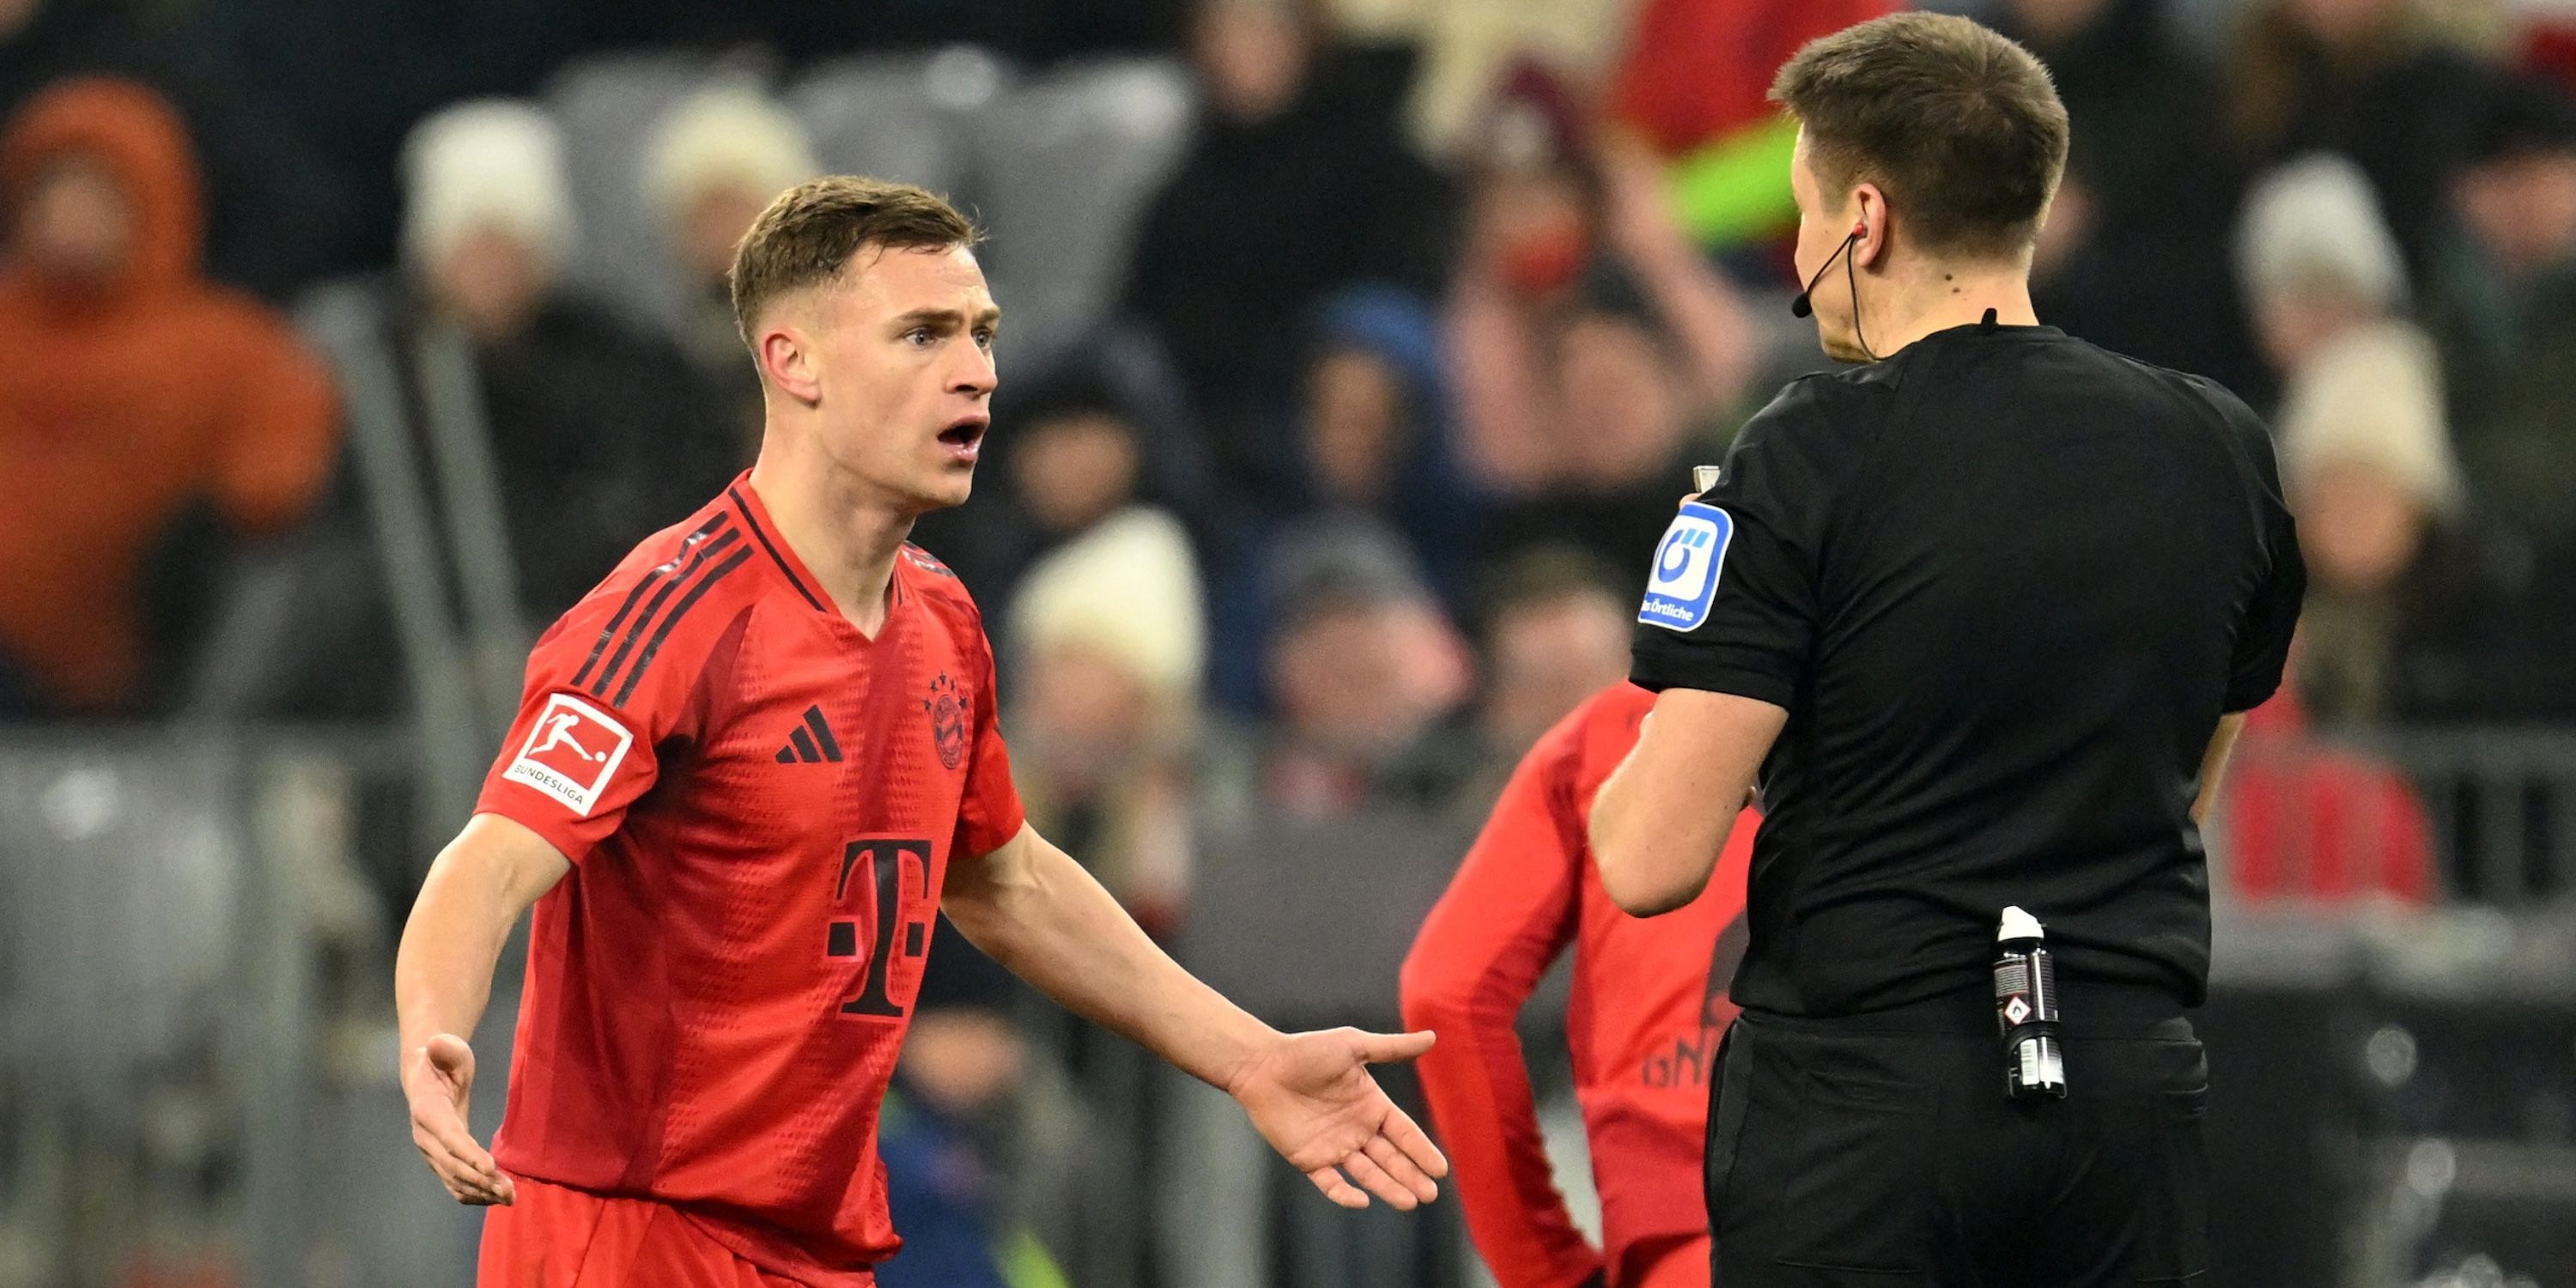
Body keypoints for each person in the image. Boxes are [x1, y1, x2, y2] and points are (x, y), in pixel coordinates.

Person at [392, 177, 1449, 1287]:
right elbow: (496, 855)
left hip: (818, 1247)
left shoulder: (942, 621)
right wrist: (431, 1034)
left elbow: (1006, 884)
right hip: (629, 1243)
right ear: (794, 362)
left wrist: (1251, 1060)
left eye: (983, 334)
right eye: (924, 334)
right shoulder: (670, 615)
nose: (978, 372)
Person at [1586, 15, 2305, 1285]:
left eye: (1803, 212)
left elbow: (1650, 858)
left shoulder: (1808, 451)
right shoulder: (2220, 446)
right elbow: (2185, 782)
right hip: (2123, 1092)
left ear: (1865, 216)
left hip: (1869, 1102)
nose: (1799, 254)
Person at [0, 76, 337, 715]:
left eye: (99, 193)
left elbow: (282, 467)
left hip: (162, 659)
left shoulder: (225, 346)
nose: (73, 215)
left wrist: (217, 518)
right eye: (54, 190)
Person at [1403, 681, 1758, 1288]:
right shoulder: (1954, 717)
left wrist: (1544, 1270)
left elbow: (1447, 992)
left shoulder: (1611, 729)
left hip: (1689, 1241)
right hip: (1926, 1213)